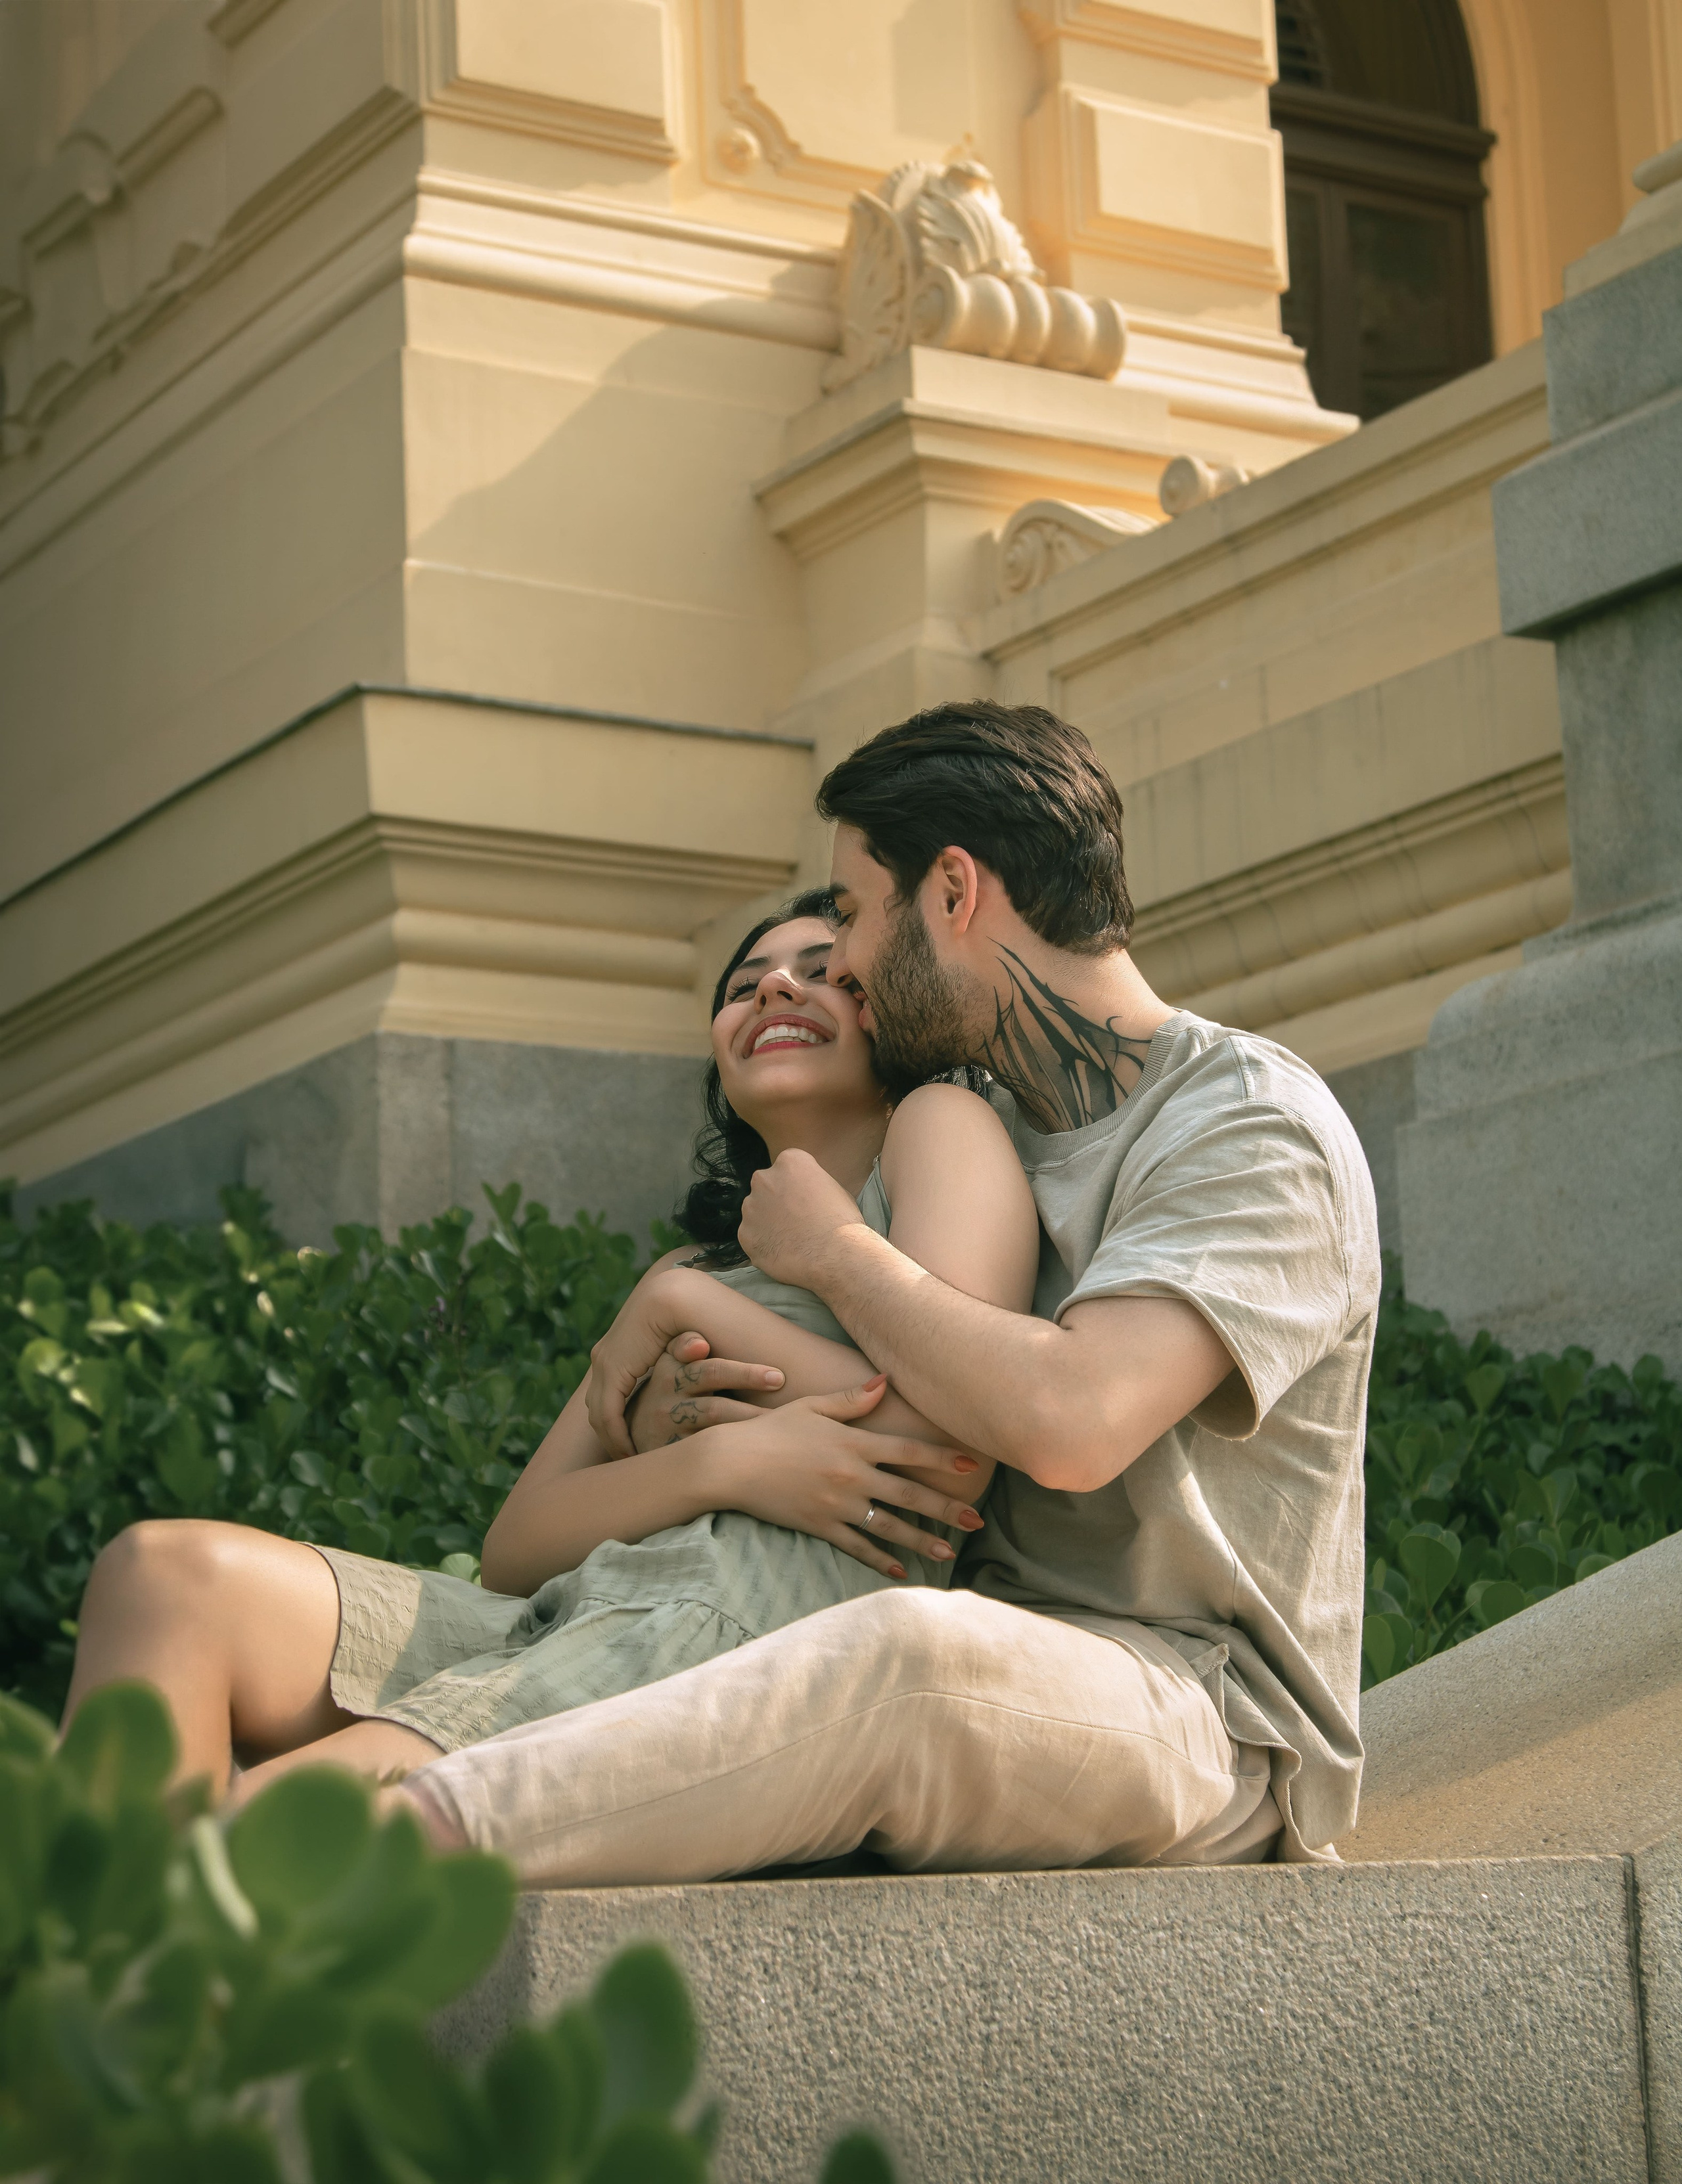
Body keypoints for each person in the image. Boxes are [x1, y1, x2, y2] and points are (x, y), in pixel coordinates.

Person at [391, 700, 1381, 1880]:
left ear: (953, 892)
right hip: (925, 1632)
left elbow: (1071, 1420)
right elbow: (877, 1387)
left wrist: (836, 1255)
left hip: (1193, 1711)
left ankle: (376, 1853)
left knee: (907, 1655)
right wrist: (687, 1407)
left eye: (854, 915)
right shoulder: (984, 1128)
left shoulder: (1250, 1125)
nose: (844, 961)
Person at [60, 893, 1036, 1804]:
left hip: (730, 1638)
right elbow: (517, 1548)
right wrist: (724, 1460)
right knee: (163, 1577)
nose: (776, 987)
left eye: (824, 971)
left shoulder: (933, 1127)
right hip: (566, 1618)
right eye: (743, 987)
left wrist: (680, 1306)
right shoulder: (694, 1263)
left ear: (887, 1016)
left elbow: (959, 1424)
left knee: (236, 1839)